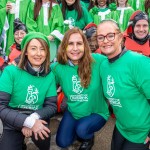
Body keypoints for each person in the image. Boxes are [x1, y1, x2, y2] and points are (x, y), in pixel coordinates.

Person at [51, 27, 109, 150]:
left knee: (82, 130)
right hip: (74, 111)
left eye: (79, 43)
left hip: (97, 112)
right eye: (70, 44)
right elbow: (39, 76)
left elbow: (117, 62)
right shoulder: (57, 68)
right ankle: (78, 129)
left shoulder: (98, 61)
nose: (75, 48)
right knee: (62, 142)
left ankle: (88, 138)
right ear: (64, 46)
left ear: (85, 45)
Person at [97, 19, 150, 150]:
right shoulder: (103, 65)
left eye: (110, 35)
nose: (105, 40)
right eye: (100, 37)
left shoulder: (139, 62)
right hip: (121, 126)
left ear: (120, 37)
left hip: (141, 132)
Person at [0, 32, 57, 150]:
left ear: (47, 52)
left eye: (42, 49)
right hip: (13, 117)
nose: (38, 53)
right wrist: (26, 122)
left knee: (44, 141)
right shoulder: (10, 71)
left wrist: (33, 119)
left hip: (37, 117)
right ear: (25, 51)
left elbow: (51, 106)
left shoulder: (49, 75)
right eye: (33, 49)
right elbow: (1, 106)